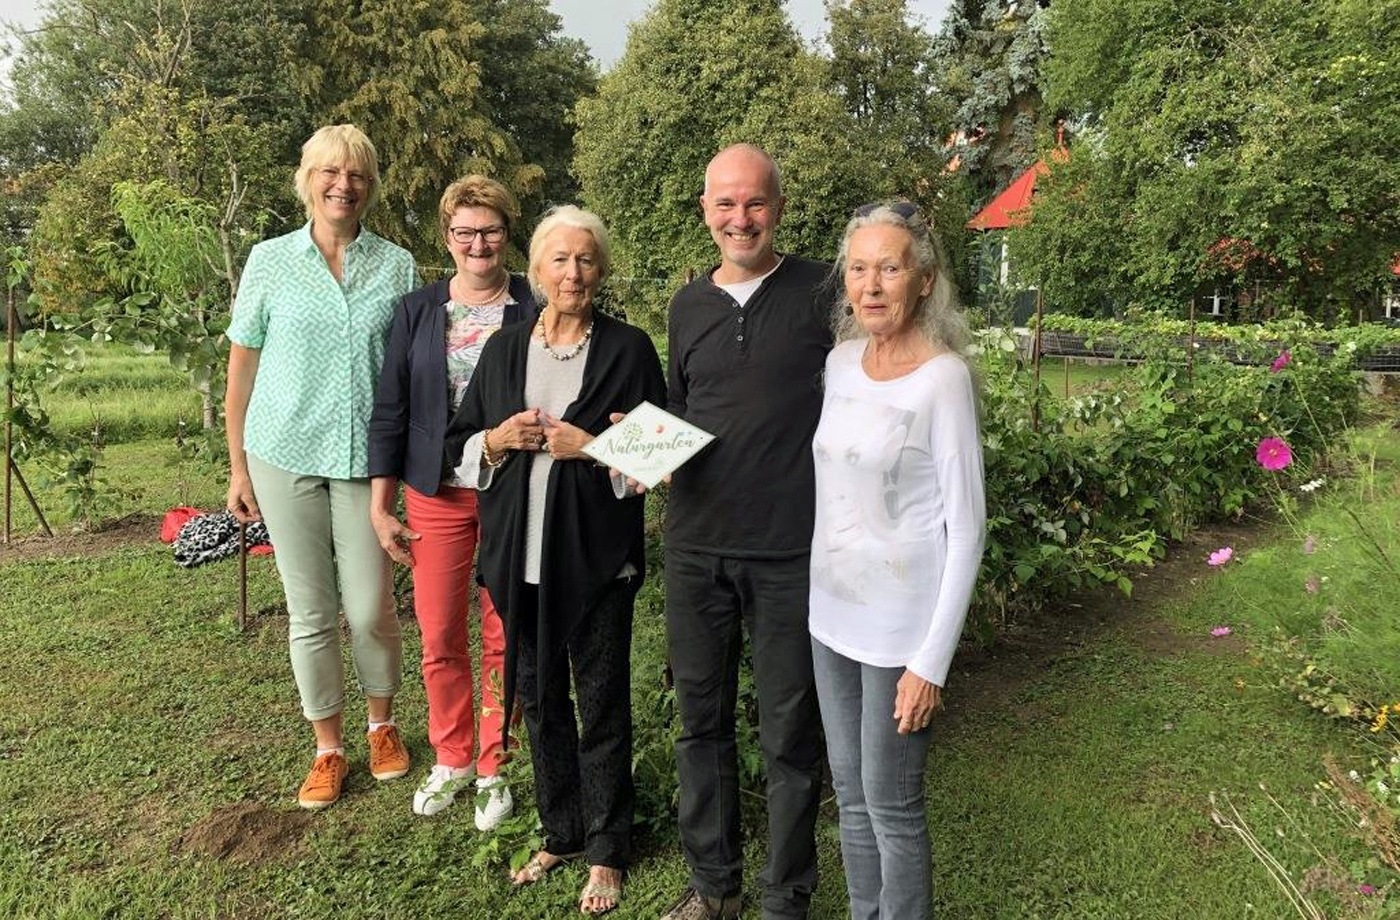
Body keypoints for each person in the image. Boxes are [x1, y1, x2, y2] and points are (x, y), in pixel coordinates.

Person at [444, 205, 665, 915]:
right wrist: (500, 438)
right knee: (538, 701)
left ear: (600, 270)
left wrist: (590, 446)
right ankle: (561, 829)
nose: (574, 273)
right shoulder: (504, 351)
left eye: (587, 260)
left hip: (596, 559)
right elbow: (461, 445)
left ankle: (606, 850)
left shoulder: (629, 350)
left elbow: (660, 454)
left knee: (600, 702)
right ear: (535, 271)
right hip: (518, 558)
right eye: (560, 260)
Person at [660, 144, 833, 920]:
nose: (741, 218)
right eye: (726, 204)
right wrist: (640, 456)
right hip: (695, 548)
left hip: (792, 549)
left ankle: (785, 896)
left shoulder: (823, 290)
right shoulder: (686, 307)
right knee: (701, 723)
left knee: (790, 730)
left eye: (755, 203)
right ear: (706, 212)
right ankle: (713, 885)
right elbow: (679, 413)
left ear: (779, 207)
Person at [224, 124, 417, 809]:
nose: (344, 185)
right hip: (283, 453)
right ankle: (328, 747)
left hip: (368, 463)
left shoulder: (397, 267)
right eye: (331, 172)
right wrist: (239, 467)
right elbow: (241, 366)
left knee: (369, 608)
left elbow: (406, 370)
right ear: (308, 179)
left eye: (358, 174)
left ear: (370, 186)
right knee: (310, 611)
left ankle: (383, 725)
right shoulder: (269, 261)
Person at [810, 202, 985, 920]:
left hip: (899, 636)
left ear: (924, 280)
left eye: (890, 266)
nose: (872, 283)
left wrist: (930, 662)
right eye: (859, 268)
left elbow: (968, 528)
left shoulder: (943, 380)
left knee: (893, 804)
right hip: (830, 619)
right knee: (850, 799)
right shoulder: (840, 362)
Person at [367, 176, 538, 825]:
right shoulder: (416, 310)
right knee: (439, 632)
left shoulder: (534, 303)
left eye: (489, 230)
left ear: (506, 232)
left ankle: (496, 761)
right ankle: (453, 755)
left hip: (510, 493)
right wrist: (382, 505)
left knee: (504, 632)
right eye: (465, 231)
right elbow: (391, 409)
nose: (478, 243)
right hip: (434, 492)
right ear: (448, 238)